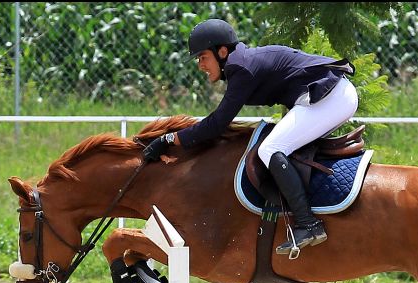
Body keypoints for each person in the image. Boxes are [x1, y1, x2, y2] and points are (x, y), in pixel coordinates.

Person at [143, 19, 359, 255]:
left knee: (269, 150)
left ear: (222, 51)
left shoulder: (241, 68)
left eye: (203, 56)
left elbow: (217, 124)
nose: (200, 65)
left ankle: (309, 224)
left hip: (331, 97)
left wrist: (169, 139)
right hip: (327, 96)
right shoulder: (240, 63)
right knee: (276, 147)